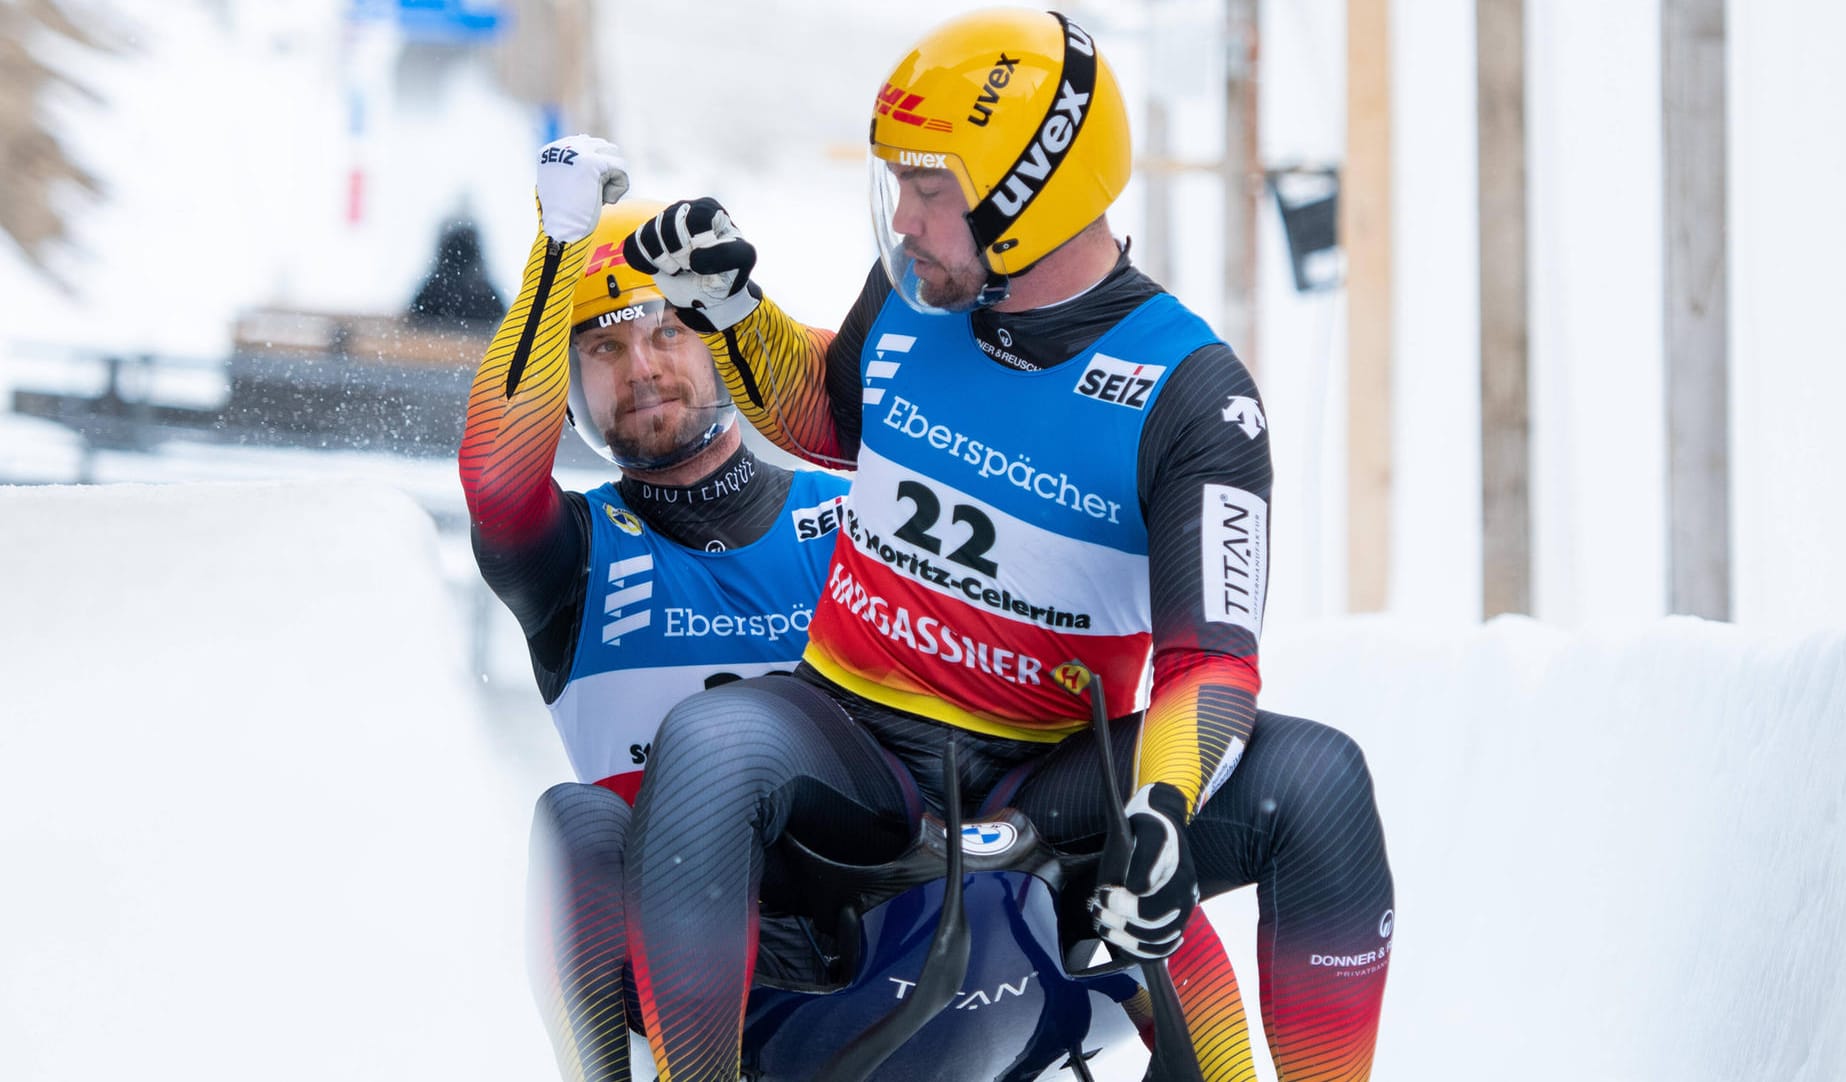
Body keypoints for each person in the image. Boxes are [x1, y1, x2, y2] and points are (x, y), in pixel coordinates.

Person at [620, 9, 1395, 1081]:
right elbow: (840, 422)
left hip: (1045, 775)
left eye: (931, 188)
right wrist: (734, 315)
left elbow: (1212, 664)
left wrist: (1163, 808)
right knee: (708, 745)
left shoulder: (1195, 397)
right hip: (855, 734)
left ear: (1032, 191)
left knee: (1320, 783)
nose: (906, 217)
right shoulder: (912, 295)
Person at [458, 134, 850, 1082]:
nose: (640, 366)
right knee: (575, 823)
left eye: (668, 331)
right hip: (675, 959)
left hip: (872, 925)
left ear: (716, 337)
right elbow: (496, 481)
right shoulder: (571, 551)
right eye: (602, 346)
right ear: (571, 386)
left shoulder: (846, 513)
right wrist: (558, 250)